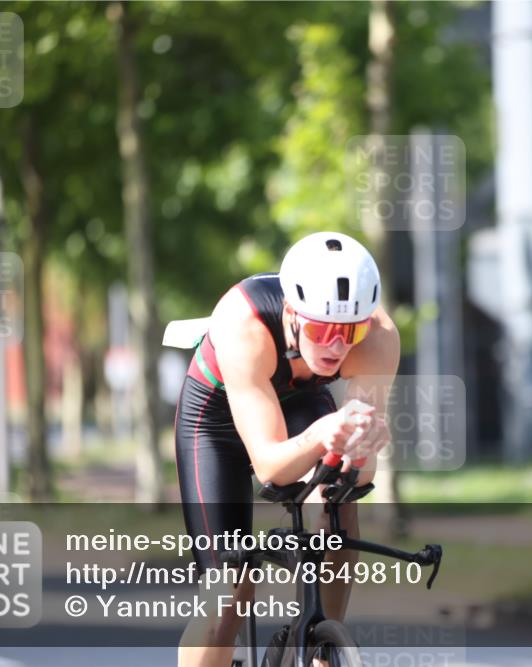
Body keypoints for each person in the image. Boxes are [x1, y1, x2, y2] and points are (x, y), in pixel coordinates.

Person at [174, 231, 399, 667]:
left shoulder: (377, 336)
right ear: (293, 315)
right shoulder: (244, 323)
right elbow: (271, 467)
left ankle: (321, 647)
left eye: (350, 331)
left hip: (298, 402)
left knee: (338, 505)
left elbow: (361, 472)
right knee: (228, 593)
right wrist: (323, 435)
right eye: (322, 329)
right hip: (215, 421)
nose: (336, 345)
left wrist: (359, 451)